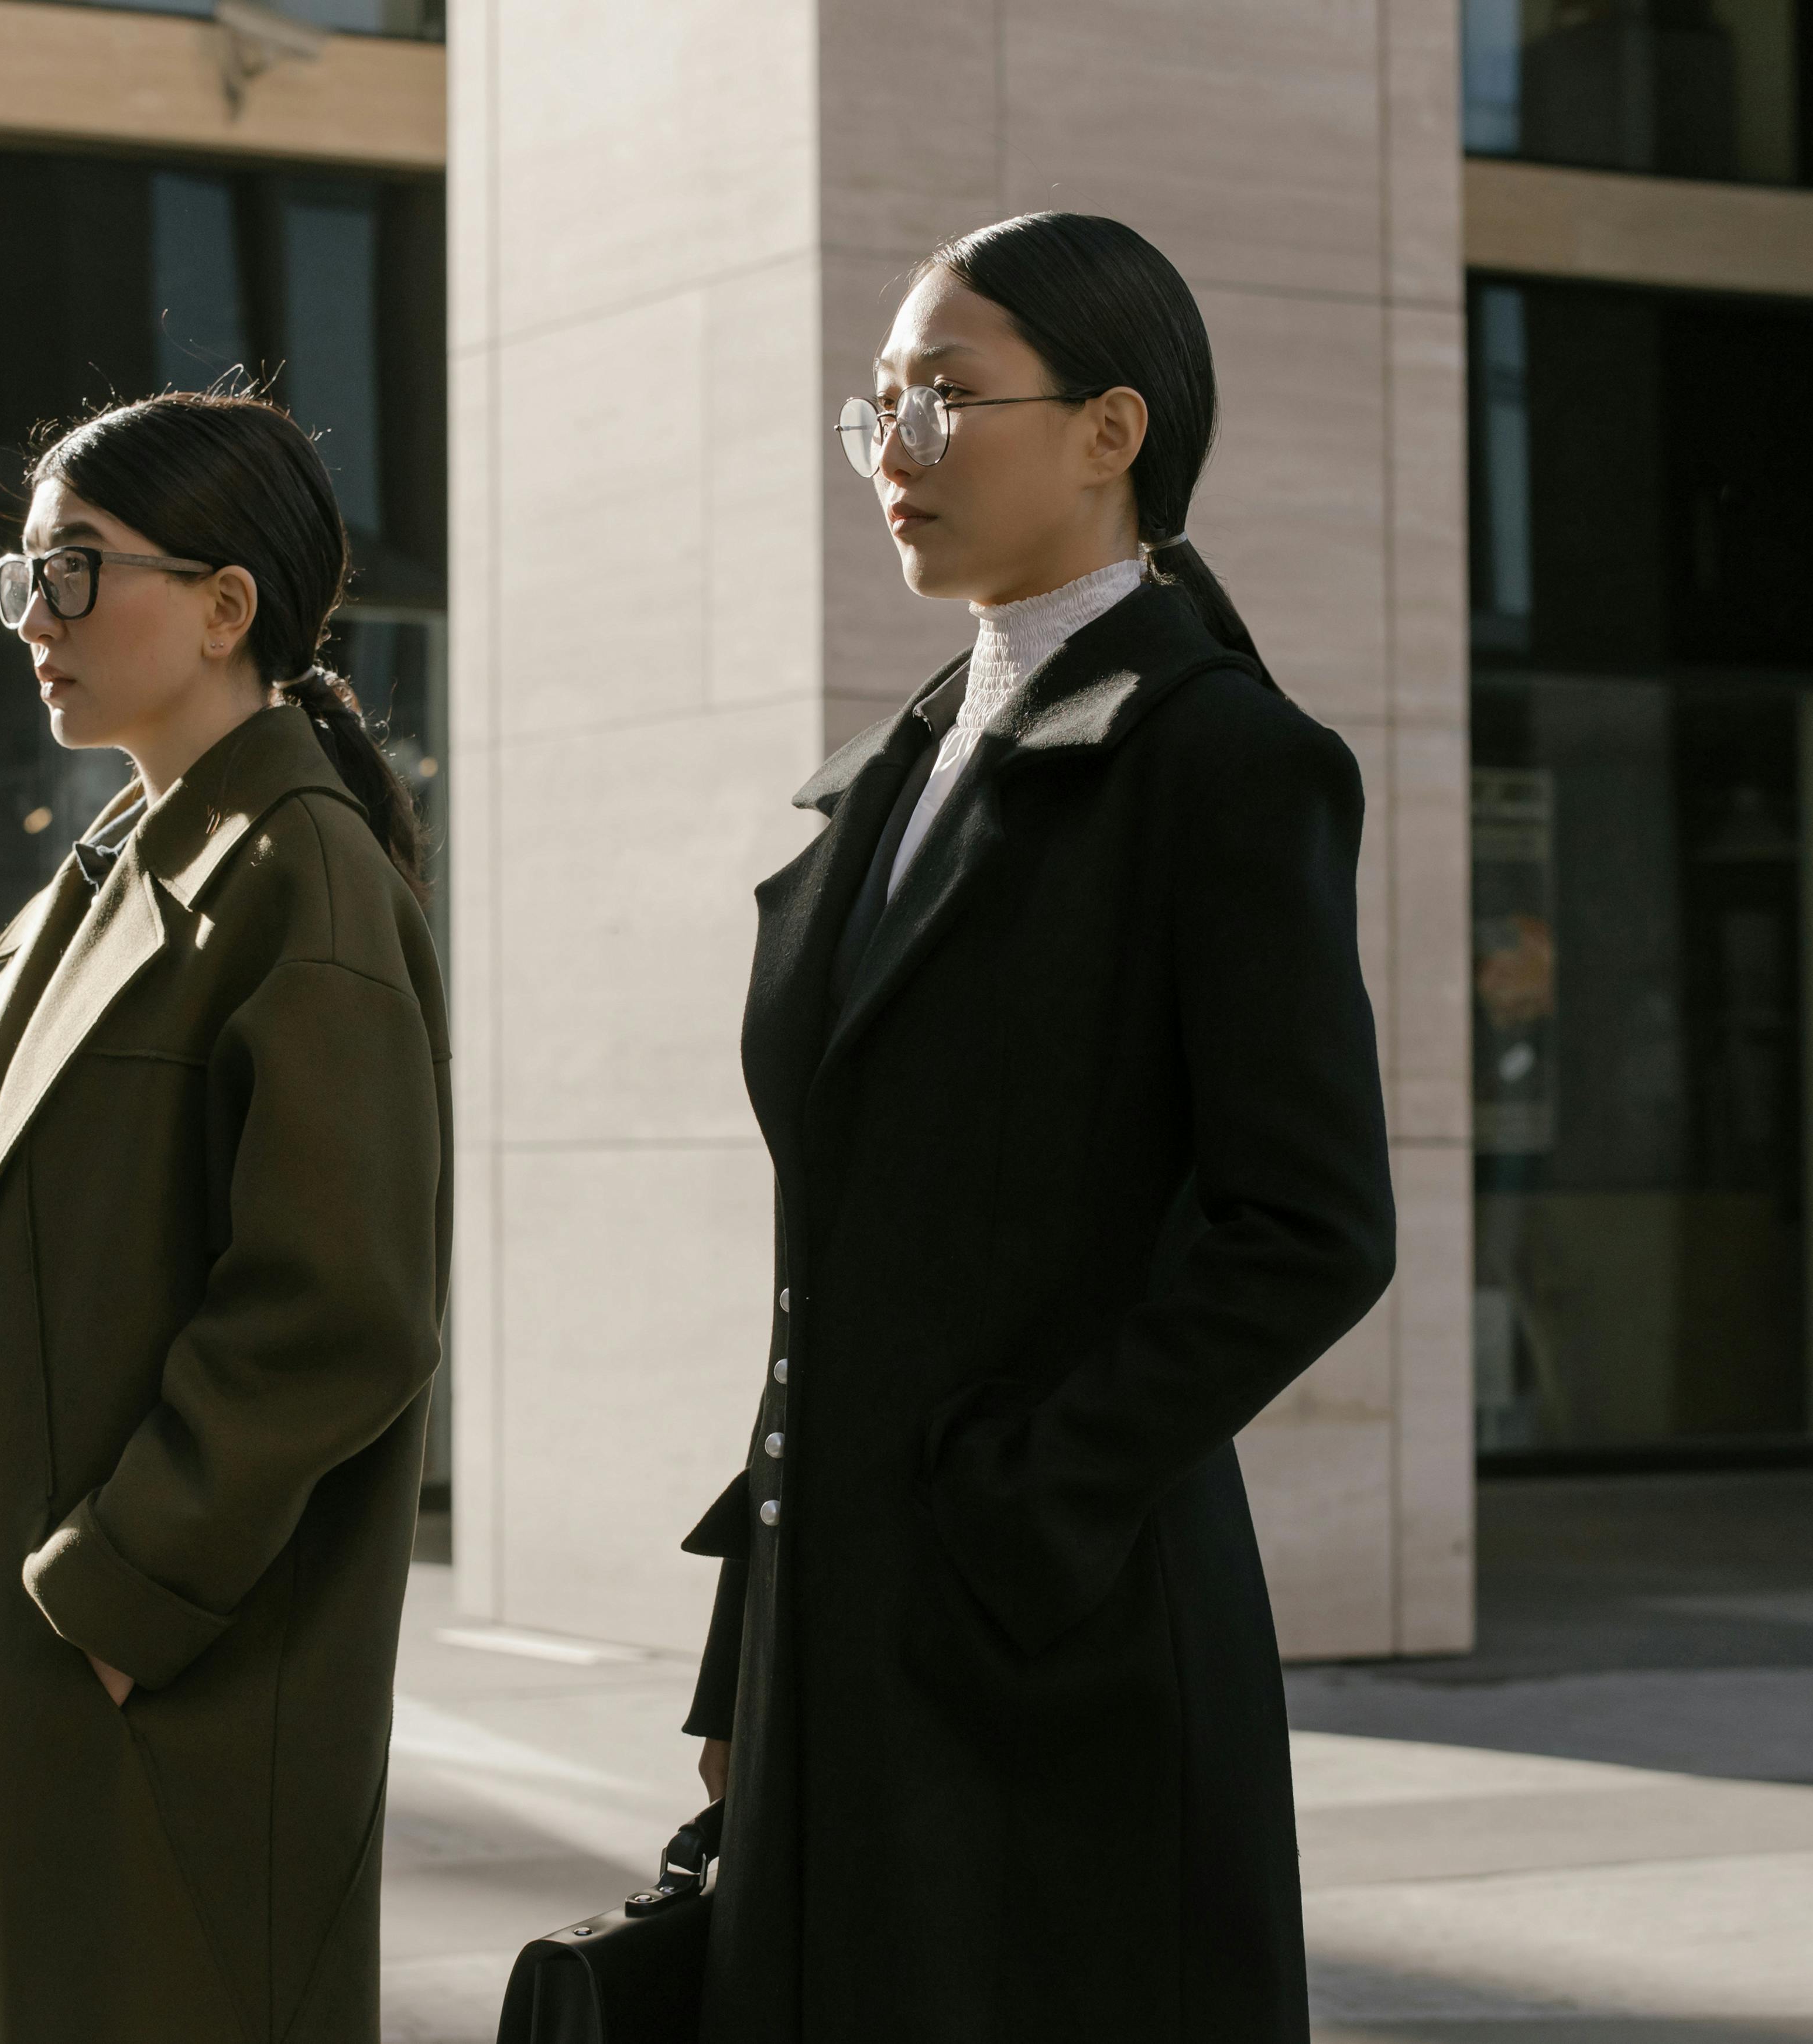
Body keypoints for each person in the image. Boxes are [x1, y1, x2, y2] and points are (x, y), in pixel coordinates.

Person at [679, 212, 1397, 2042]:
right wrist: (743, 1639)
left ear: (1112, 429)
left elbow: (1308, 1225)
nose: (897, 449)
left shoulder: (1226, 760)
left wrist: (1022, 1499)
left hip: (1059, 1645)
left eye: (946, 395)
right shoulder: (900, 766)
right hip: (841, 1639)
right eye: (878, 406)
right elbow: (827, 1277)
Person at [0, 390, 450, 2044]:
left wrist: (118, 1605)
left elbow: (339, 1305)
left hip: (165, 1683)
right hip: (52, 1673)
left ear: (224, 607)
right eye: (24, 581)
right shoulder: (119, 870)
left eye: (77, 573)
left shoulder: (298, 878)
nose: (36, 621)